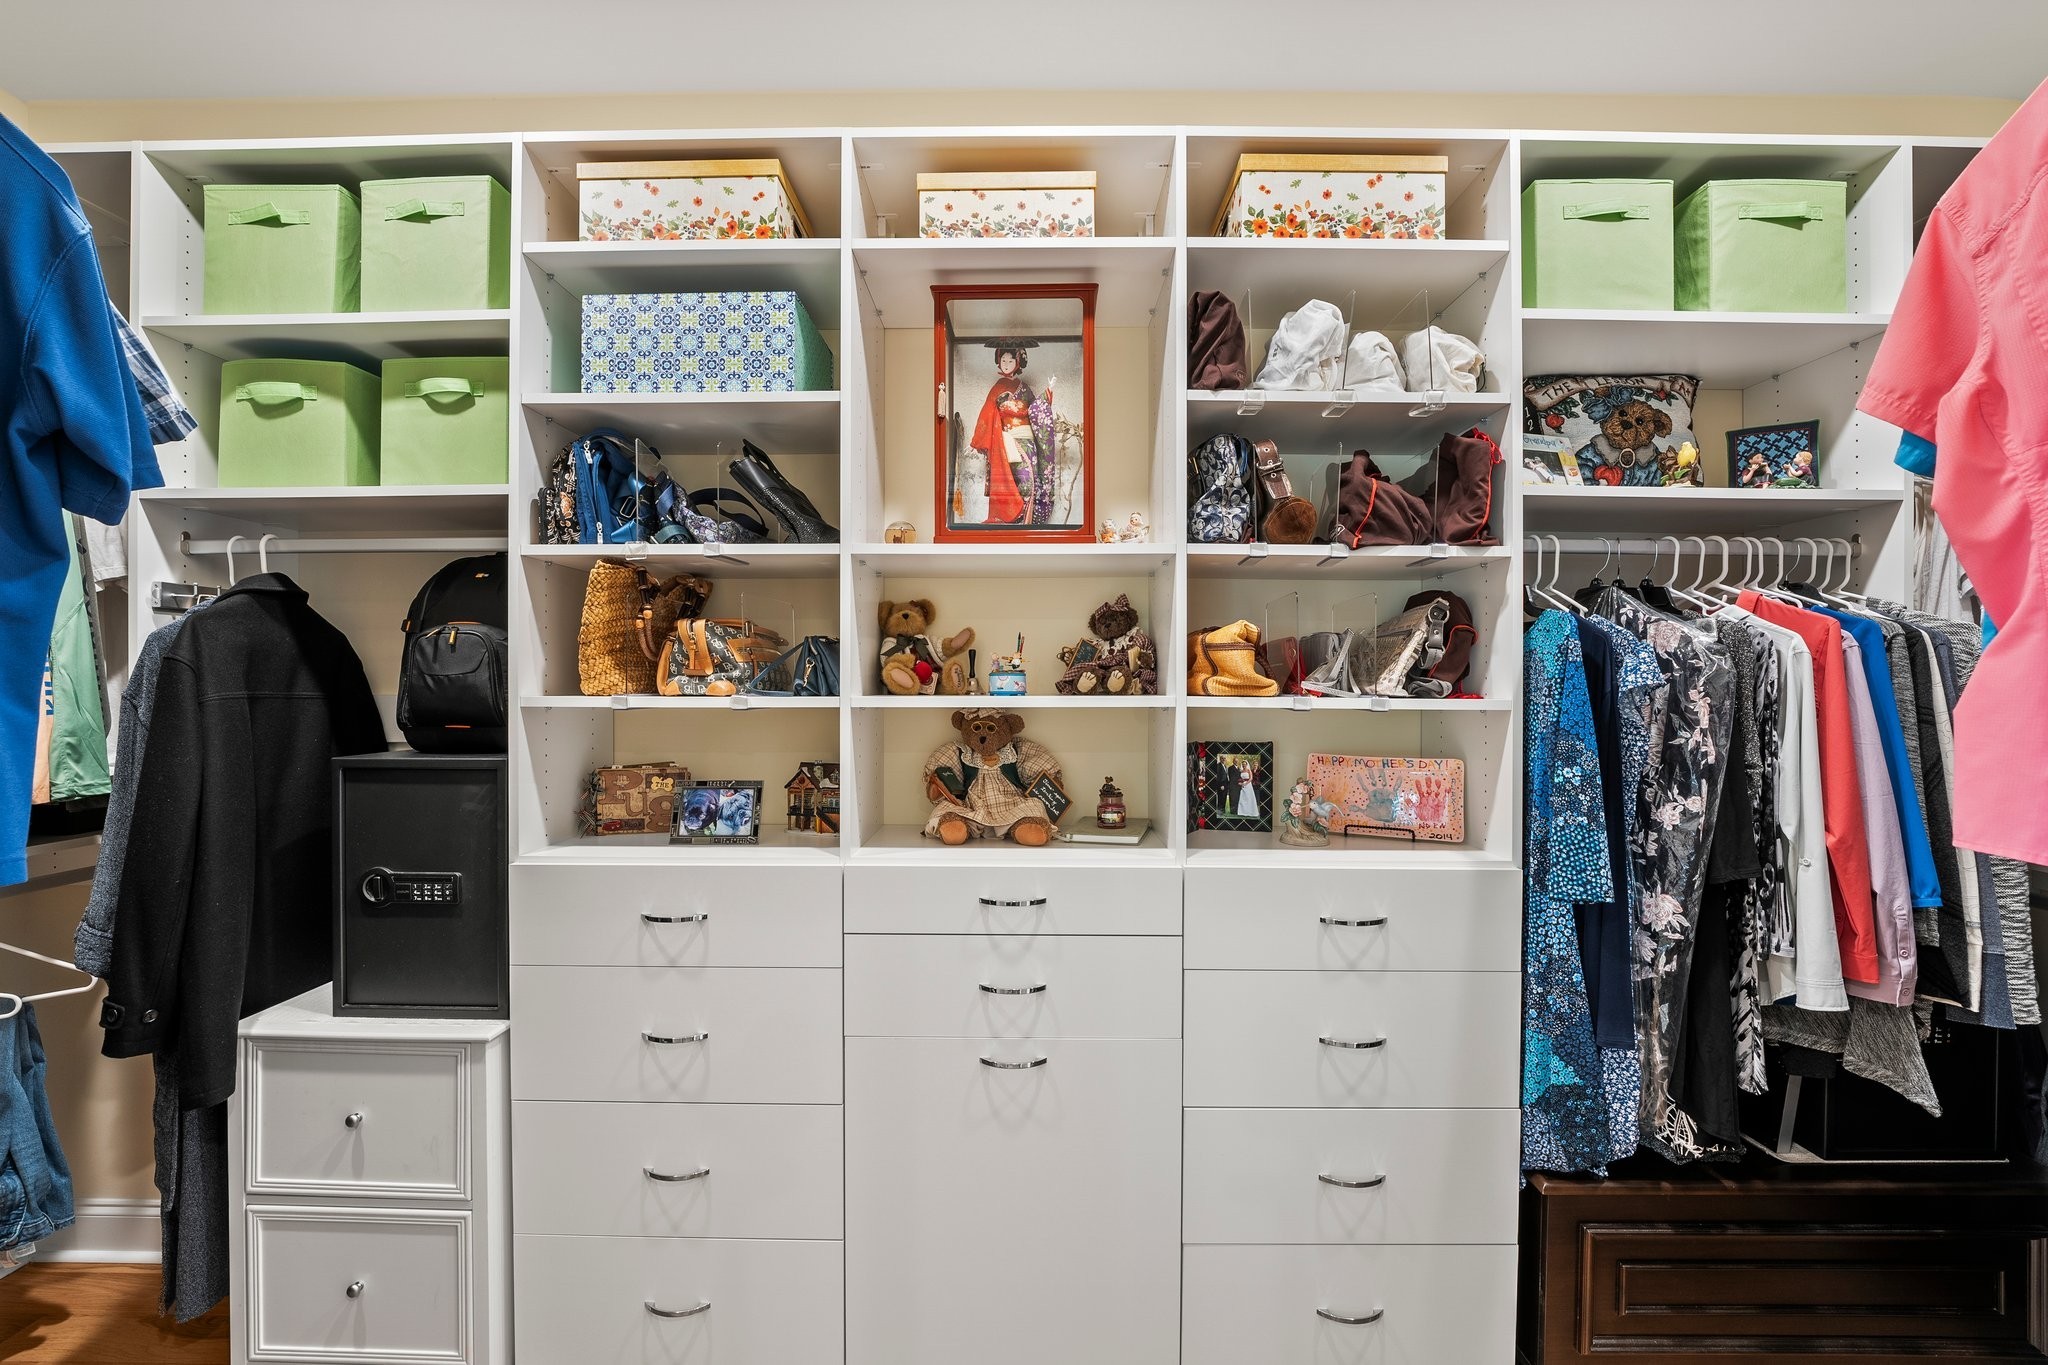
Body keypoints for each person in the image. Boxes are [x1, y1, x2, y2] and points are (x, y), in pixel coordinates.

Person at [967, 339, 1056, 525]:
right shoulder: (998, 388)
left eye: (1010, 360)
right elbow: (986, 416)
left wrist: (1047, 394)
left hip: (1028, 442)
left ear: (1018, 362)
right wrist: (975, 442)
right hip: (1008, 443)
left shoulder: (1025, 389)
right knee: (1013, 483)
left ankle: (1027, 521)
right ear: (998, 362)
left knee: (1029, 482)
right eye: (1003, 360)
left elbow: (1035, 411)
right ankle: (1012, 521)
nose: (1006, 364)